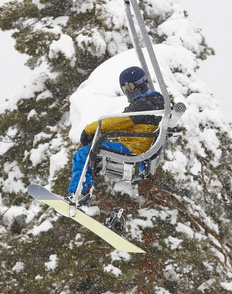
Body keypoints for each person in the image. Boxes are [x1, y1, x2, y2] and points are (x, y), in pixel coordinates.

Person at [66, 66, 165, 208]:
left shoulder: (143, 104)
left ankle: (79, 194)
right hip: (135, 150)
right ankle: (83, 193)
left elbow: (118, 121)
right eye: (125, 89)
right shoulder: (150, 103)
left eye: (131, 86)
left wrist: (89, 130)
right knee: (90, 154)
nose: (129, 92)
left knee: (82, 155)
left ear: (142, 83)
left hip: (132, 151)